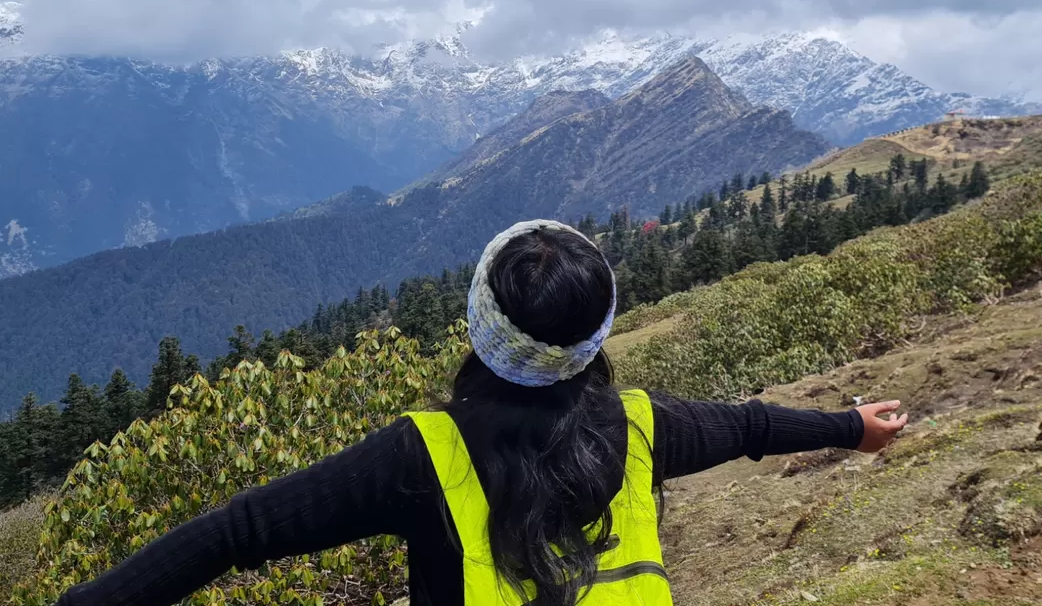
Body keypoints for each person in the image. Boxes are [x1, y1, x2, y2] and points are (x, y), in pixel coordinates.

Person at [55, 219, 908, 606]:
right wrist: (851, 425)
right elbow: (753, 427)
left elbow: (237, 534)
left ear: (477, 328)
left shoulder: (421, 456)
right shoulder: (647, 426)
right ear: (595, 338)